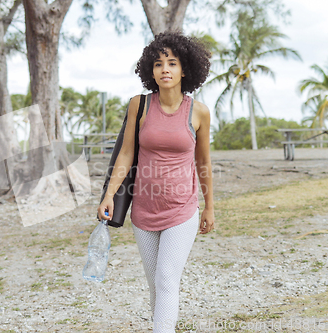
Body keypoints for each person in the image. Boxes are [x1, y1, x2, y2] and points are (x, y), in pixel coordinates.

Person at [97, 31, 215, 332]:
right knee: (157, 284)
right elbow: (125, 153)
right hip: (144, 210)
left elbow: (203, 162)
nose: (165, 69)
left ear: (184, 69)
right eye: (159, 63)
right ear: (150, 70)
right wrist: (109, 195)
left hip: (181, 210)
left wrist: (209, 206)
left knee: (165, 279)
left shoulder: (198, 112)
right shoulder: (139, 105)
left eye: (172, 63)